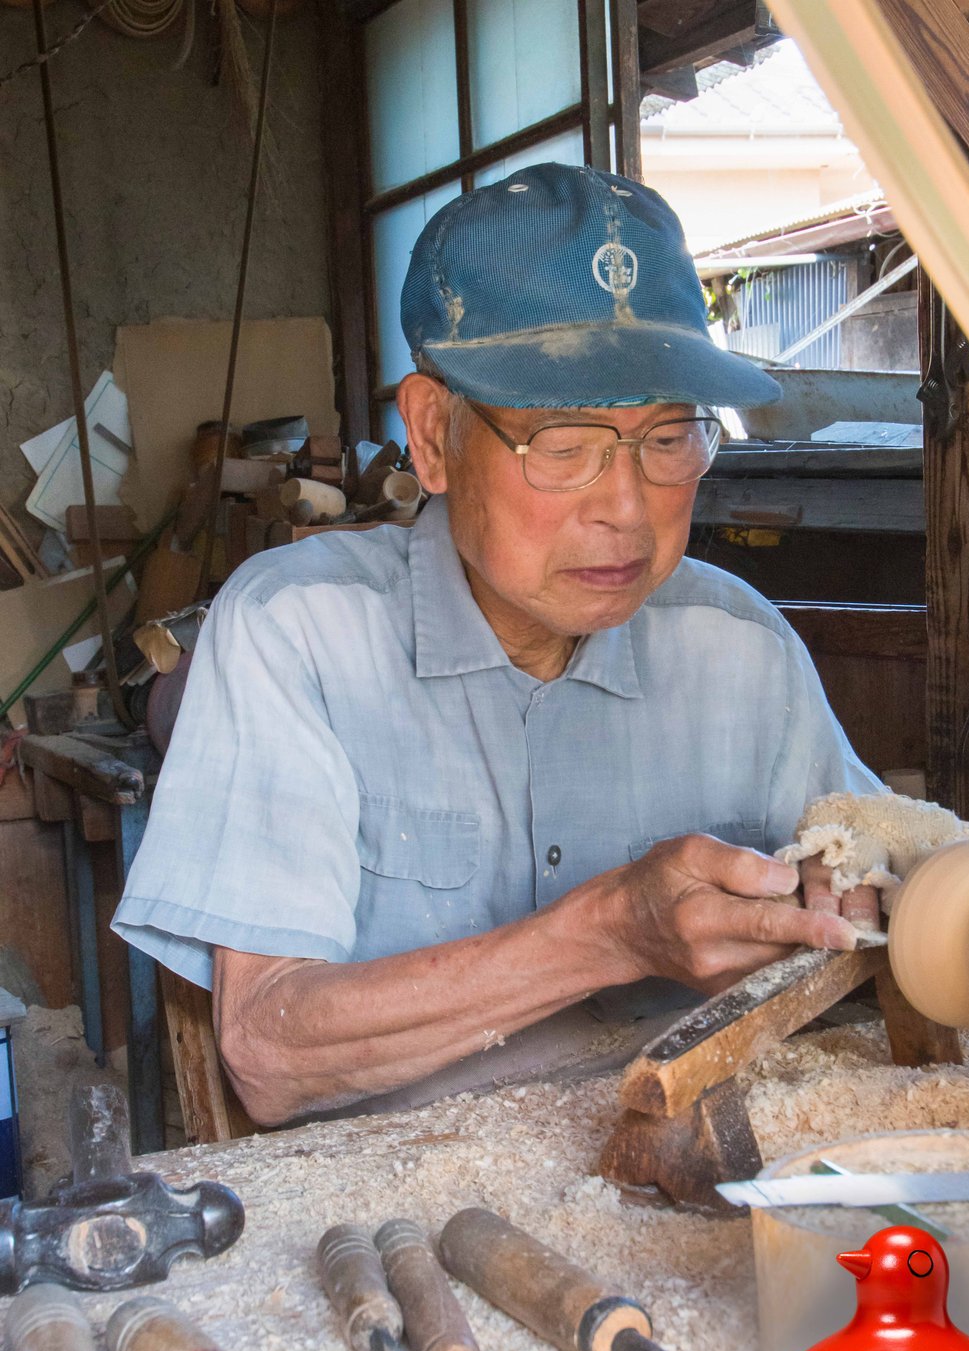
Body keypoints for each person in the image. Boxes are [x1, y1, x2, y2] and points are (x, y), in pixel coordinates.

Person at [114, 163, 889, 1127]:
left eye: (667, 439)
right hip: (395, 1215)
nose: (626, 509)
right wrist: (611, 934)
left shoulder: (741, 651)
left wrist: (863, 895)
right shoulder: (298, 636)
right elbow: (270, 1052)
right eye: (565, 445)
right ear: (434, 436)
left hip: (691, 1177)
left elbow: (881, 875)